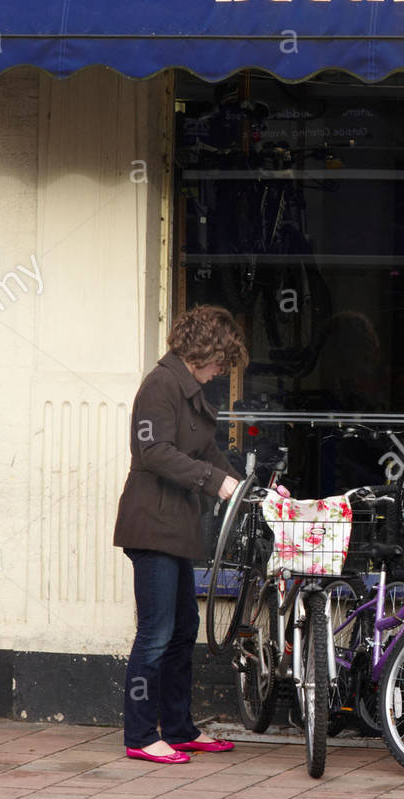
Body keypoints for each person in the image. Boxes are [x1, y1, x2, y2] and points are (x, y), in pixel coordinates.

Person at [112, 305, 248, 764]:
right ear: (204, 350)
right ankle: (140, 735)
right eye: (220, 362)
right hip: (152, 526)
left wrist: (246, 489)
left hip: (175, 529)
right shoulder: (160, 385)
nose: (220, 372)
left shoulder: (184, 389)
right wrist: (216, 483)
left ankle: (178, 727)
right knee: (156, 633)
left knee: (183, 628)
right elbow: (152, 451)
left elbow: (207, 452)